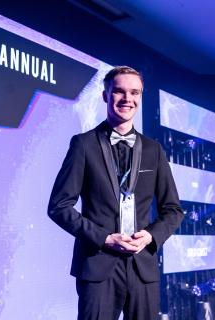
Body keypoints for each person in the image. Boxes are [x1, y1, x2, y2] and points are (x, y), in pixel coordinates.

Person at [48, 66, 184, 319]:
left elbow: (173, 210)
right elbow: (59, 206)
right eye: (119, 91)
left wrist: (150, 237)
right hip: (98, 265)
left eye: (134, 92)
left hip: (142, 267)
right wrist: (104, 238)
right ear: (105, 95)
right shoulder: (83, 144)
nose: (127, 99)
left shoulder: (154, 150)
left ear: (141, 97)